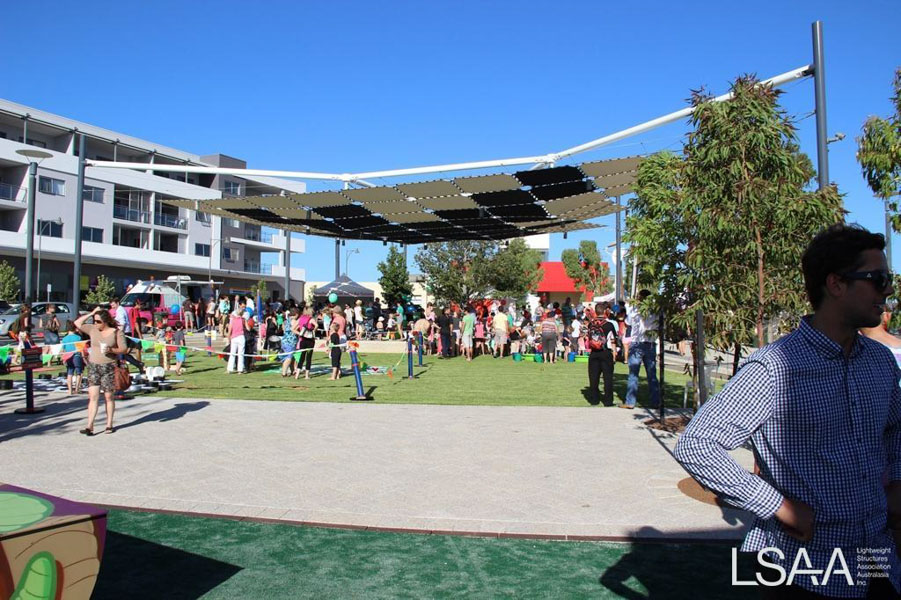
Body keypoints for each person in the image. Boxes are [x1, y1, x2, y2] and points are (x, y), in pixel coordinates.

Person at [674, 224, 901, 599]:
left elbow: (895, 427)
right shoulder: (775, 367)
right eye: (878, 279)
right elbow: (697, 444)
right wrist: (776, 505)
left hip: (877, 558)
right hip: (803, 568)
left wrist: (896, 484)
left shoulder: (878, 361)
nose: (888, 290)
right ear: (836, 284)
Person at [73, 307, 128, 435]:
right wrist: (92, 313)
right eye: (95, 321)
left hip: (108, 367)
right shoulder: (92, 329)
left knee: (109, 396)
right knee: (93, 396)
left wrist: (111, 350)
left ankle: (109, 424)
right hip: (93, 366)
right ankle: (89, 425)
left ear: (106, 321)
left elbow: (124, 349)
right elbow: (77, 323)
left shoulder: (116, 332)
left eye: (98, 321)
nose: (96, 323)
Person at [623, 290, 660, 409]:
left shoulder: (634, 310)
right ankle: (655, 401)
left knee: (633, 373)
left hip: (637, 342)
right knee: (652, 374)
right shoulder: (655, 311)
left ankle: (630, 401)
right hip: (650, 342)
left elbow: (627, 322)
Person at [585, 303, 618, 406]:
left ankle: (594, 399)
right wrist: (614, 353)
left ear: (596, 311)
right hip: (606, 352)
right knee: (608, 377)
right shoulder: (609, 325)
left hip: (594, 353)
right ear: (605, 311)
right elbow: (613, 340)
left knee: (593, 377)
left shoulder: (591, 324)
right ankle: (608, 401)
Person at [60, 322, 85, 395]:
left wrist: (63, 358)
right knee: (79, 372)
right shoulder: (78, 337)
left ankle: (70, 390)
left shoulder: (64, 339)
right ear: (74, 328)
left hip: (68, 356)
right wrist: (83, 357)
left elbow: (63, 350)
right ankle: (77, 389)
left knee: (69, 373)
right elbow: (81, 348)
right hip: (77, 356)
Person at [226, 304, 248, 374]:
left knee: (232, 353)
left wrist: (228, 337)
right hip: (241, 337)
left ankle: (229, 369)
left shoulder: (232, 320)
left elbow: (230, 330)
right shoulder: (243, 319)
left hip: (234, 337)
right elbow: (248, 328)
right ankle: (240, 370)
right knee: (241, 354)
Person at [295, 306, 316, 379]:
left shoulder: (300, 319)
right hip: (310, 340)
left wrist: (300, 333)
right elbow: (316, 325)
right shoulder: (311, 319)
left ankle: (297, 374)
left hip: (302, 340)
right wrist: (313, 331)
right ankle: (307, 375)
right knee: (308, 358)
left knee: (301, 357)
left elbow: (293, 329)